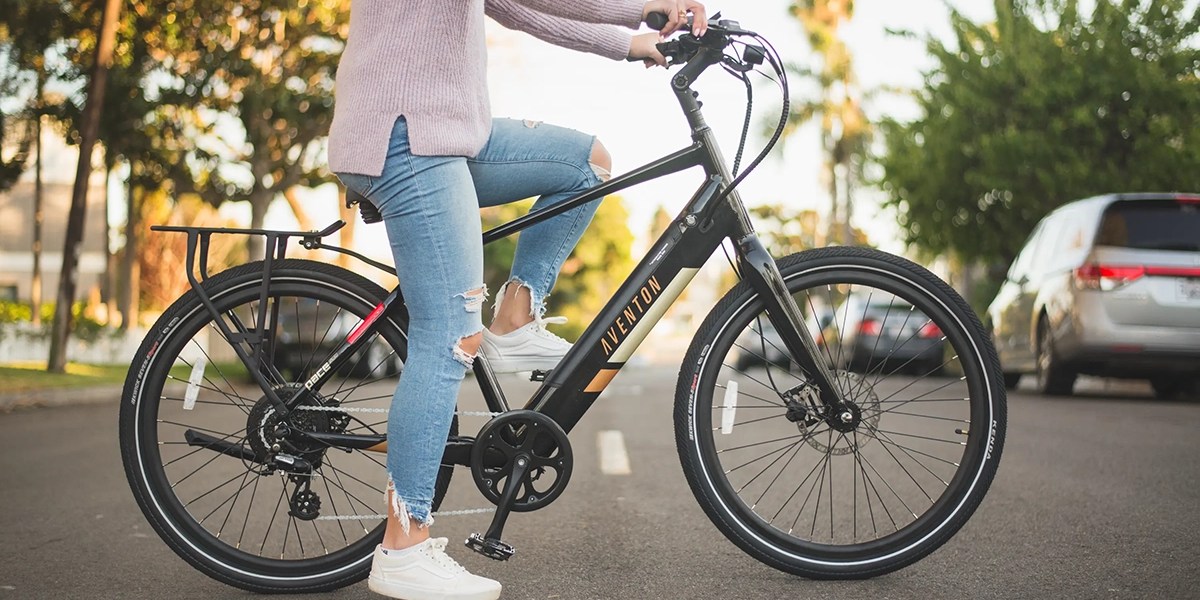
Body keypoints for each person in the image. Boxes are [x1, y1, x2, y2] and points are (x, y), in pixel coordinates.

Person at [329, 1, 707, 598]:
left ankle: (515, 321)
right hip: (405, 133)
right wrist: (646, 8)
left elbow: (517, 8)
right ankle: (403, 550)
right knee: (448, 332)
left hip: (447, 129)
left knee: (587, 164)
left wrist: (634, 43)